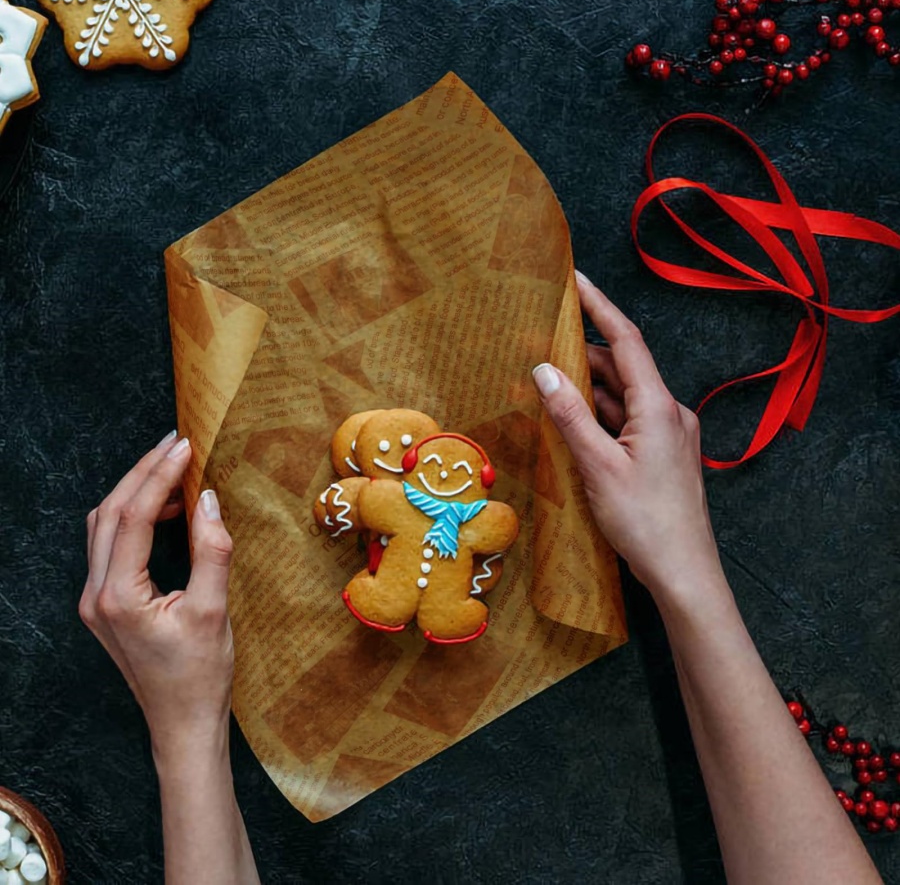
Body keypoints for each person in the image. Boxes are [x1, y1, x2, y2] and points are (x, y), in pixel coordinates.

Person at [80, 271, 883, 885]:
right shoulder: (387, 500)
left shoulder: (453, 514)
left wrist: (184, 735)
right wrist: (686, 572)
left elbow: (482, 526)